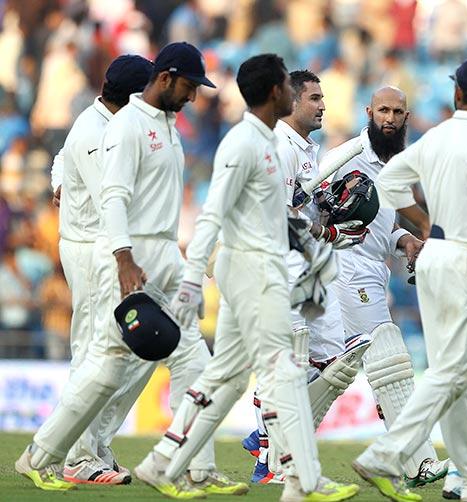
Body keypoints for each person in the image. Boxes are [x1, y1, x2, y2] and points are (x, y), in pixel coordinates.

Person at [16, 42, 243, 498]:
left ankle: (192, 467)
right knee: (103, 366)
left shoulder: (163, 122)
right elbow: (114, 198)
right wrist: (123, 258)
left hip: (157, 254)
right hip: (122, 255)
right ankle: (45, 457)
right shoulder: (124, 127)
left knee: (195, 360)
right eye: (189, 86)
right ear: (163, 80)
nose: (194, 97)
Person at [135, 53, 359, 502]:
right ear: (276, 92)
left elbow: (272, 215)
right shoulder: (244, 144)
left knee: (227, 377)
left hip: (262, 265)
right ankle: (303, 479)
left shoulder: (266, 142)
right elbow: (212, 214)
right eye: (287, 86)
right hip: (251, 270)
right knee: (284, 371)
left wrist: (312, 244)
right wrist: (191, 280)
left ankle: (160, 462)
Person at [352, 56, 467, 502]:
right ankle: (387, 453)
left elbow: (389, 181)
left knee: (458, 374)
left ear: (457, 94)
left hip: (434, 257)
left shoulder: (438, 135)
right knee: (453, 368)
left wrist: (423, 223)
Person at [242, 69, 372, 484]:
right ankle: (269, 458)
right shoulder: (279, 146)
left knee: (334, 361)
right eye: (314, 98)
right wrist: (325, 230)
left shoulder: (305, 148)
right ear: (291, 102)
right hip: (278, 267)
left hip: (305, 268)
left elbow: (299, 207)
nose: (323, 106)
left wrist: (327, 216)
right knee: (287, 364)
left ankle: (263, 430)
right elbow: (276, 215)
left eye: (322, 98)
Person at [323, 86, 448, 488]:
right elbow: (306, 202)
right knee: (391, 361)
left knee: (334, 370)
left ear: (406, 116)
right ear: (368, 112)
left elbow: (382, 228)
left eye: (397, 111)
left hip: (373, 271)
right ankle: (418, 461)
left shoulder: (398, 164)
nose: (389, 118)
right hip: (344, 269)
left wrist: (404, 241)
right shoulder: (346, 157)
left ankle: (273, 443)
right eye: (382, 111)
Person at [49, 54, 153, 486]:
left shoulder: (108, 123)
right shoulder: (95, 133)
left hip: (110, 248)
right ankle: (77, 455)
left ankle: (95, 441)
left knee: (143, 348)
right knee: (94, 351)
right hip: (94, 250)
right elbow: (114, 200)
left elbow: (58, 157)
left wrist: (58, 182)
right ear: (132, 96)